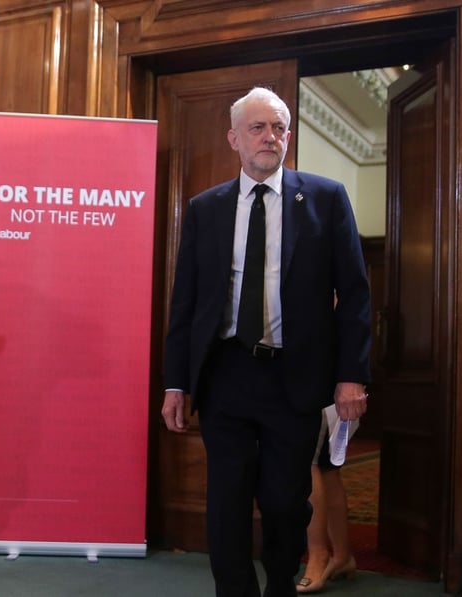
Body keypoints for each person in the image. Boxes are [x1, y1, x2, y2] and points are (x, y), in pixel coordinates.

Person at [161, 86, 371, 597]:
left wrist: (351, 376)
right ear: (235, 138)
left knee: (285, 501)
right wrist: (175, 383)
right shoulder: (206, 208)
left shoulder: (325, 198)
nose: (269, 136)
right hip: (226, 374)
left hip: (294, 377)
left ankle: (279, 585)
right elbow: (186, 304)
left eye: (279, 127)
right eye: (258, 127)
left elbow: (357, 295)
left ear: (288, 137)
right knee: (227, 502)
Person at [296, 418, 357, 594]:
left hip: (319, 395)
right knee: (327, 467)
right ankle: (342, 556)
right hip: (331, 397)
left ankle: (319, 556)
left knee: (306, 460)